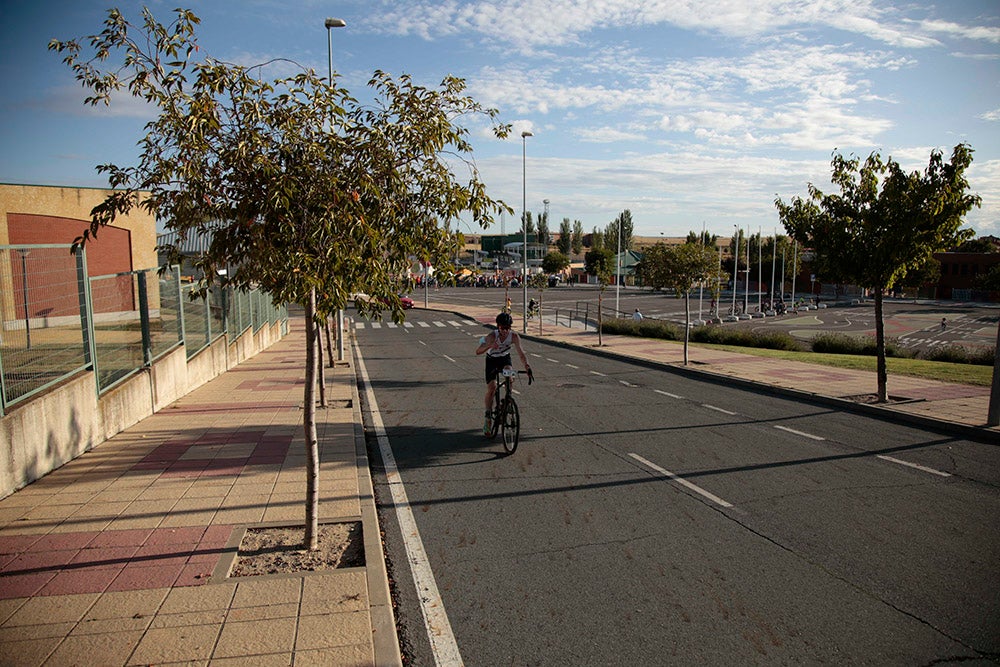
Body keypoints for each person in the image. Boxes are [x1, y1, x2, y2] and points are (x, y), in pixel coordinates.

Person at [476, 312, 531, 435]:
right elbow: (478, 351)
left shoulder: (514, 337)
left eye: (508, 328)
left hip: (504, 359)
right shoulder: (491, 336)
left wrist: (527, 367)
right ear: (498, 326)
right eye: (503, 328)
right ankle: (488, 417)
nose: (506, 331)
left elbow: (521, 353)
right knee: (492, 388)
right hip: (491, 360)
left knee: (510, 376)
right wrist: (489, 345)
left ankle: (506, 401)